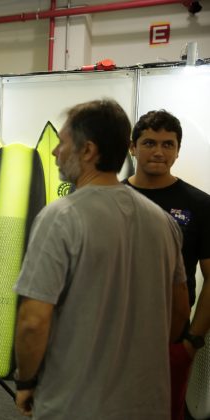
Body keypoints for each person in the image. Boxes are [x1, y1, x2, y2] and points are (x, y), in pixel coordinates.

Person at [12, 99, 190, 419]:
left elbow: (32, 321)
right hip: (148, 402)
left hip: (77, 404)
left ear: (88, 151)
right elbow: (179, 313)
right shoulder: (163, 222)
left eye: (62, 143)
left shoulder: (61, 217)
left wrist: (25, 379)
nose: (55, 153)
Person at [124, 110, 210, 420]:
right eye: (148, 143)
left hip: (170, 340)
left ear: (177, 150)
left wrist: (191, 343)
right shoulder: (108, 198)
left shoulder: (199, 204)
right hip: (112, 338)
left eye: (168, 144)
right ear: (132, 147)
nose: (159, 152)